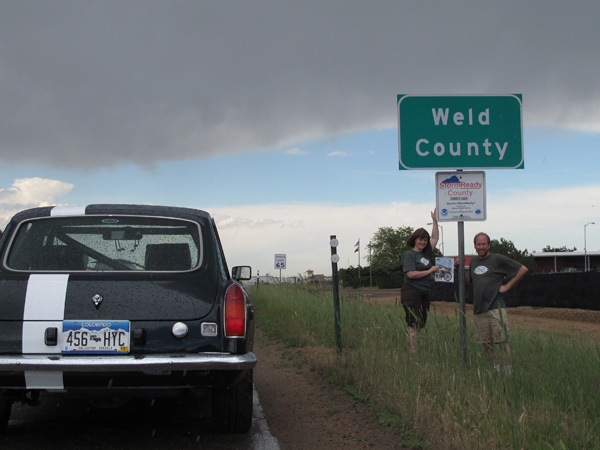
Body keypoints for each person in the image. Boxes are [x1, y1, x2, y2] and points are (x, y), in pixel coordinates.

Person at [466, 232, 528, 375]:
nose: (481, 247)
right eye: (478, 244)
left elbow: (523, 269)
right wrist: (459, 269)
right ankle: (495, 370)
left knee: (502, 341)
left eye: (484, 244)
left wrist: (507, 286)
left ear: (489, 245)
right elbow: (470, 282)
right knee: (486, 344)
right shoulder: (474, 262)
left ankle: (507, 372)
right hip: (479, 309)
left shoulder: (498, 259)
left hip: (495, 308)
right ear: (475, 246)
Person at [401, 210, 439, 352]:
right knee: (413, 324)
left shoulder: (426, 253)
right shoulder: (410, 255)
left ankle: (416, 350)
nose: (423, 242)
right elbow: (411, 274)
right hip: (411, 291)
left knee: (421, 323)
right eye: (420, 239)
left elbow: (435, 238)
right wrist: (429, 271)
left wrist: (434, 220)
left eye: (425, 240)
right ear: (414, 240)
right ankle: (413, 354)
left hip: (424, 292)